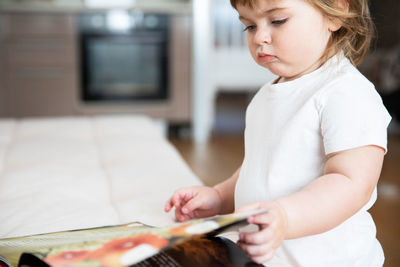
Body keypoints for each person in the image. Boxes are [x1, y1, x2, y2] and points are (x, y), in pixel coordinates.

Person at [165, 0, 391, 266]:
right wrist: (219, 197)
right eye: (249, 26)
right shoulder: (265, 96)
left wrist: (285, 217)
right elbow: (260, 167)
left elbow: (351, 183)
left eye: (278, 21)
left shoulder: (347, 93)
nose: (260, 37)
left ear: (336, 13)